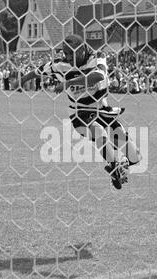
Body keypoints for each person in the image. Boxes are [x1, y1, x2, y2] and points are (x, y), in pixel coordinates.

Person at [16, 35, 142, 190]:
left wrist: (69, 82)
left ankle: (119, 165)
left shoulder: (97, 58)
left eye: (72, 53)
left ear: (82, 49)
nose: (68, 57)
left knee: (135, 157)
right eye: (66, 53)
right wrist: (20, 82)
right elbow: (37, 72)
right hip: (79, 112)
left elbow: (98, 76)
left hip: (103, 110)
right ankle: (114, 166)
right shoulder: (59, 65)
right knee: (99, 132)